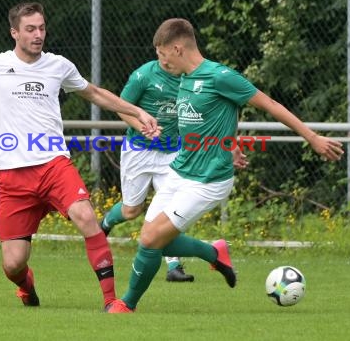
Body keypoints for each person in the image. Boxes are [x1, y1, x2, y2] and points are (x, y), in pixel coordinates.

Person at [0, 2, 160, 310]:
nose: (38, 35)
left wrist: (137, 111)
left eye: (42, 28)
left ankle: (112, 302)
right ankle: (26, 286)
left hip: (53, 165)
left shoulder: (59, 65)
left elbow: (96, 94)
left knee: (87, 217)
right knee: (13, 264)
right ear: (15, 33)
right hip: (13, 175)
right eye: (31, 29)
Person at [106, 18, 344, 313]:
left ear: (177, 48)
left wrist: (311, 137)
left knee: (151, 238)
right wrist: (230, 144)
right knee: (154, 241)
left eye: (163, 54)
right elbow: (214, 118)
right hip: (180, 171)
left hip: (208, 180)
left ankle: (126, 304)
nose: (161, 61)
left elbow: (271, 105)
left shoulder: (221, 76)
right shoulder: (184, 79)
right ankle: (213, 252)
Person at [100, 60, 249, 282]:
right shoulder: (143, 76)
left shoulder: (191, 77)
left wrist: (231, 143)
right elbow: (123, 107)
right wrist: (143, 127)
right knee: (132, 211)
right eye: (160, 53)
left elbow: (220, 110)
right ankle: (104, 225)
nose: (165, 58)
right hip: (138, 150)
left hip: (173, 152)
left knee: (169, 212)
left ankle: (174, 267)